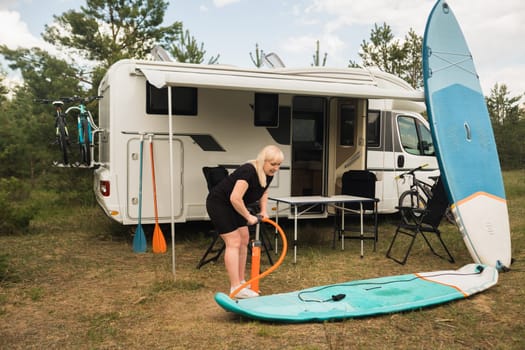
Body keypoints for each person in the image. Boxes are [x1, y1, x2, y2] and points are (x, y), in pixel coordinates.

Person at [206, 145, 284, 299]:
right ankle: (235, 287)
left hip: (236, 205)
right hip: (220, 204)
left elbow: (264, 190)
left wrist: (263, 211)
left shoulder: (268, 174)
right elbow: (234, 198)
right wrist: (249, 217)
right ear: (263, 160)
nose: (275, 168)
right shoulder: (248, 170)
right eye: (272, 164)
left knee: (244, 239)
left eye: (278, 165)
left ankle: (241, 281)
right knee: (234, 242)